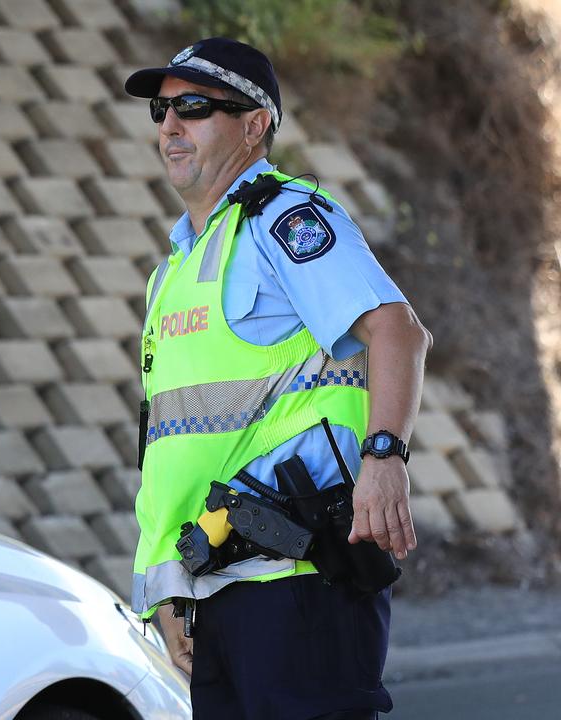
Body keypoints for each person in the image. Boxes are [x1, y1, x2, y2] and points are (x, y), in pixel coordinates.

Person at [123, 37, 433, 720]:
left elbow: (398, 330)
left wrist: (385, 458)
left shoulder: (282, 220)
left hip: (297, 579)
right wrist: (168, 588)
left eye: (196, 107)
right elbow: (171, 450)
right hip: (217, 586)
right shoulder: (173, 272)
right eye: (162, 109)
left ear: (255, 123)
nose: (171, 125)